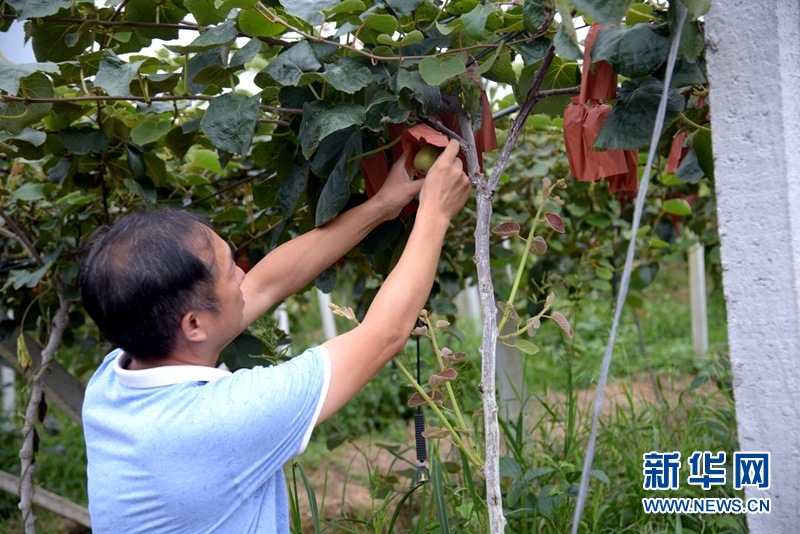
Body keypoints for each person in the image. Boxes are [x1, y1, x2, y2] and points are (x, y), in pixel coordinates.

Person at [80, 140, 470, 532]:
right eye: (229, 270)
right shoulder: (222, 419)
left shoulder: (111, 381)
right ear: (194, 325)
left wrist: (382, 206)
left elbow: (267, 284)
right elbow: (384, 334)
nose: (242, 276)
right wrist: (435, 213)